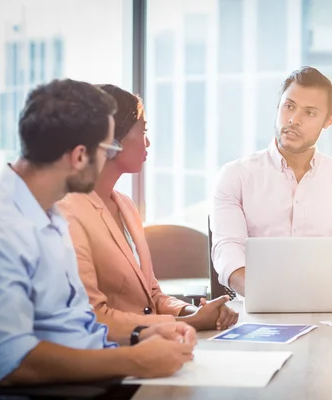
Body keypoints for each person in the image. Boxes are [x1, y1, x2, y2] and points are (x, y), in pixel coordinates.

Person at [0, 79, 196, 385]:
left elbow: (78, 324)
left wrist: (143, 333)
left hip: (95, 374)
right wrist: (133, 360)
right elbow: (11, 362)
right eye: (108, 149)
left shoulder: (47, 210)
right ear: (80, 156)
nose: (110, 158)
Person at [58, 84, 238, 331]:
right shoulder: (68, 212)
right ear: (111, 140)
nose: (148, 142)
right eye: (143, 131)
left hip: (154, 345)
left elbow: (152, 295)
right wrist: (188, 323)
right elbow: (94, 317)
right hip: (114, 355)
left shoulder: (125, 205)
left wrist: (195, 312)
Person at [210, 66, 332, 297]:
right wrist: (271, 297)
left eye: (309, 113)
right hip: (256, 312)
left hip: (330, 310)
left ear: (329, 120)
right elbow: (228, 251)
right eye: (289, 106)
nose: (293, 120)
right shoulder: (235, 176)